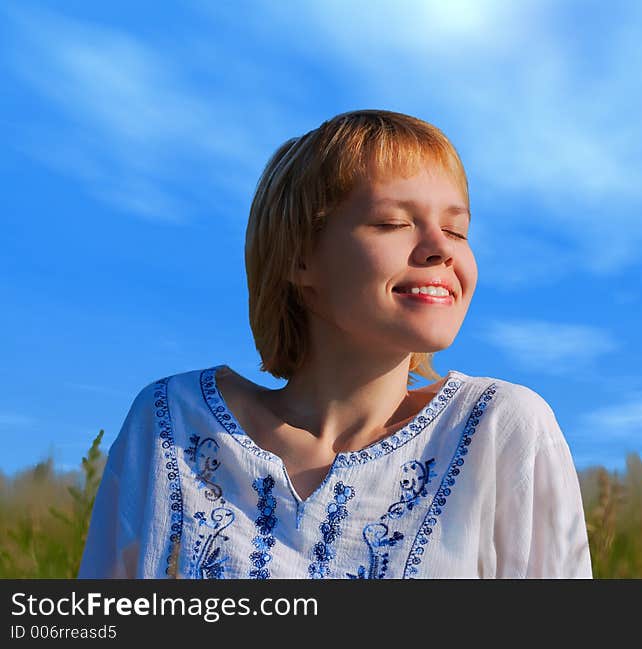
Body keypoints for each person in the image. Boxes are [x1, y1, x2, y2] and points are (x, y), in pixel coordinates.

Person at [78, 109, 592, 579]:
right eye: (394, 223)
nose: (440, 248)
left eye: (457, 230)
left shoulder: (500, 428)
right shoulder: (171, 423)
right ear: (301, 258)